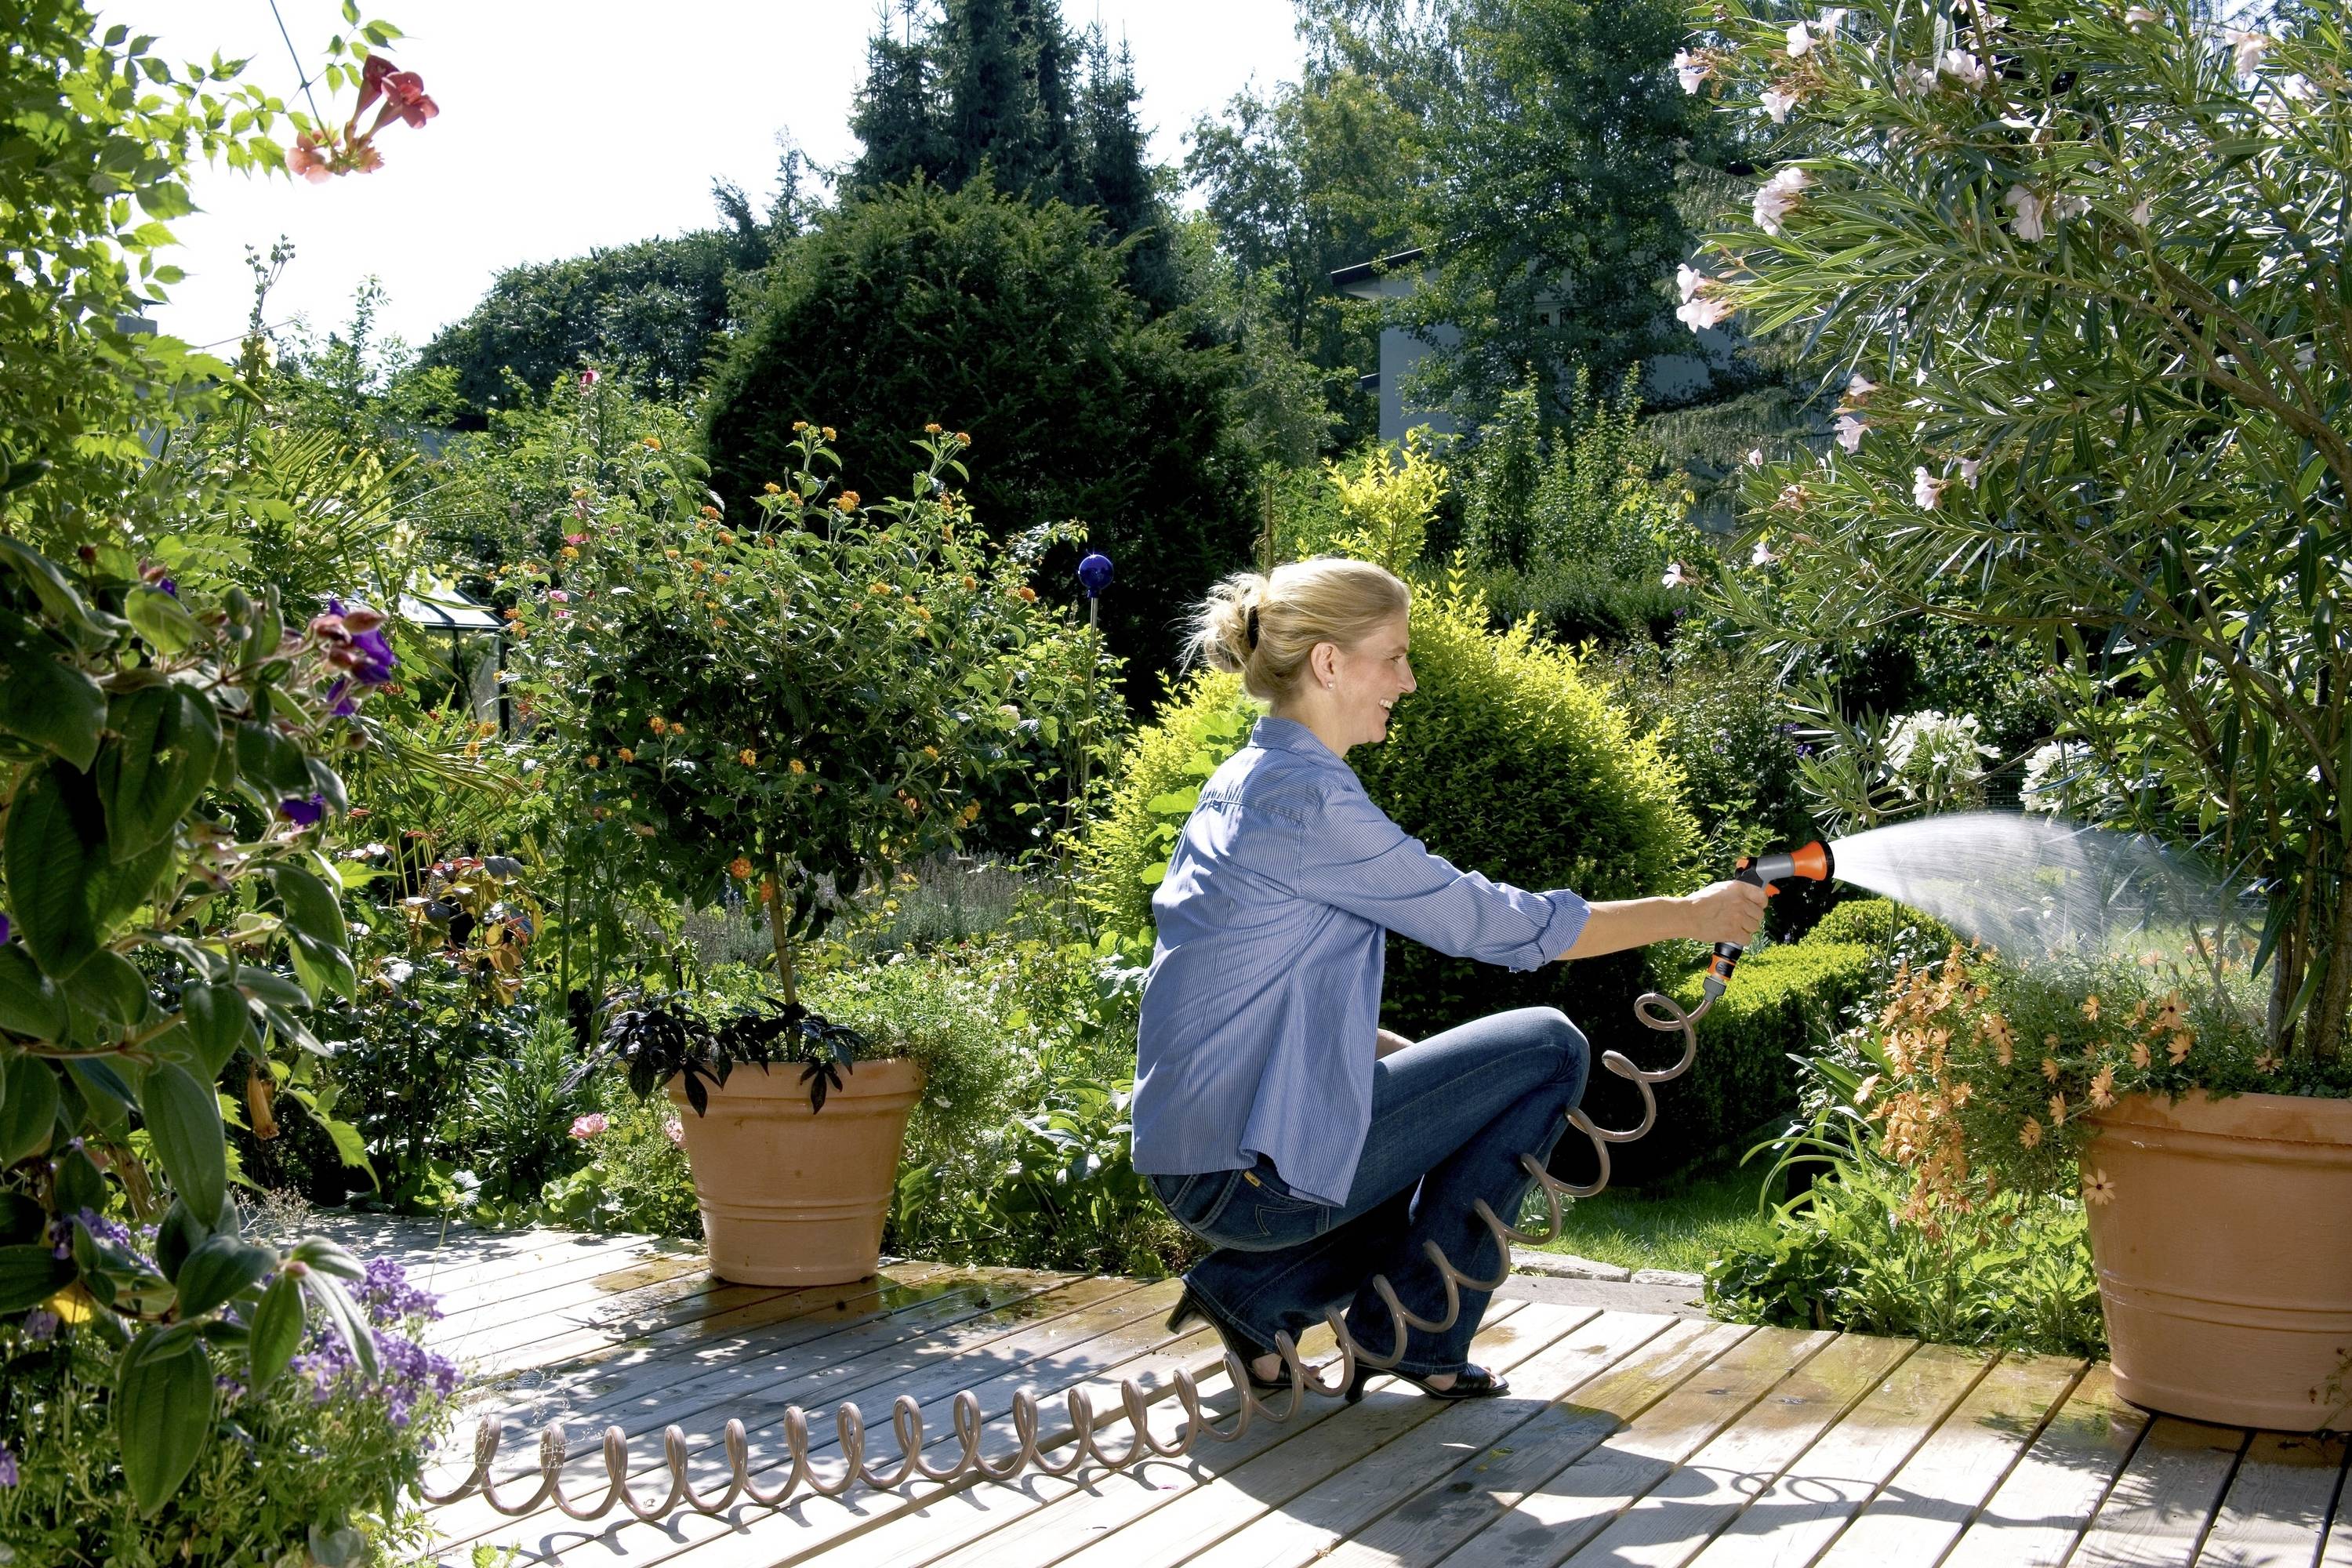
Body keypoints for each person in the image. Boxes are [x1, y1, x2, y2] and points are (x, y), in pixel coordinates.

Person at [1132, 558, 1768, 1400]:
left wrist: (1418, 1076)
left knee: (1460, 1114)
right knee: (1547, 1048)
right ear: (1329, 663)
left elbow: (1251, 996)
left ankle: (1255, 1296)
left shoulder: (1244, 783)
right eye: (1394, 656)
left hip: (1199, 1161)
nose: (1409, 680)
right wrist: (1690, 912)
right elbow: (1495, 924)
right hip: (1247, 1177)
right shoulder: (1311, 805)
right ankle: (1418, 1332)